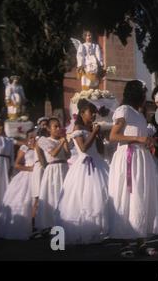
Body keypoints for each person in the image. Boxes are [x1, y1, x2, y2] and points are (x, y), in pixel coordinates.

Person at [108, 80, 158, 257]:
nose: (145, 96)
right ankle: (125, 242)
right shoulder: (124, 110)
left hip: (141, 158)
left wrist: (148, 141)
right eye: (143, 92)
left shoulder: (139, 115)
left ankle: (141, 240)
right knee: (126, 196)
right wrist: (139, 140)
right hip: (128, 158)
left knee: (140, 196)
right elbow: (114, 135)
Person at [56, 99, 109, 244]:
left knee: (100, 196)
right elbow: (84, 148)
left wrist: (99, 136)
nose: (93, 115)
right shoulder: (77, 128)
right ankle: (83, 229)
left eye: (94, 113)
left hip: (98, 163)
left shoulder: (92, 128)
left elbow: (101, 151)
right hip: (84, 164)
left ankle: (99, 230)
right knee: (83, 197)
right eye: (91, 112)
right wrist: (93, 133)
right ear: (82, 113)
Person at [0, 129, 36, 240]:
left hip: (39, 175)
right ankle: (24, 226)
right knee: (24, 199)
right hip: (27, 175)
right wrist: (29, 168)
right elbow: (16, 164)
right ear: (27, 139)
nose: (33, 139)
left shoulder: (40, 147)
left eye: (35, 137)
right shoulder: (24, 148)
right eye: (31, 137)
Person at [35, 118, 70, 232]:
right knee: (53, 195)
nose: (58, 128)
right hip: (53, 169)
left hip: (64, 168)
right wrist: (61, 142)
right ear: (49, 129)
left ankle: (64, 222)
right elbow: (54, 153)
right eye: (55, 126)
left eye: (59, 126)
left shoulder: (61, 140)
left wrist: (64, 143)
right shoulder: (44, 140)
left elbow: (68, 155)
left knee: (64, 195)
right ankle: (51, 225)